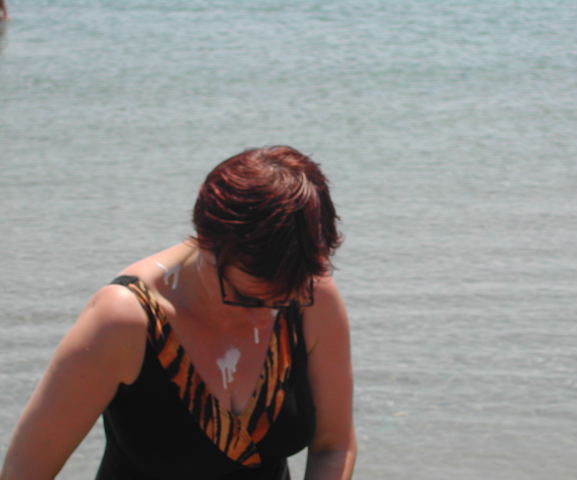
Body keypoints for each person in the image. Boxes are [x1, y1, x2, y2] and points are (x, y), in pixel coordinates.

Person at [0, 146, 356, 479]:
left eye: (283, 299)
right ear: (206, 242)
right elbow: (24, 472)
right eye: (249, 298)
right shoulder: (125, 321)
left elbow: (333, 446)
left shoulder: (309, 293)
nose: (266, 317)